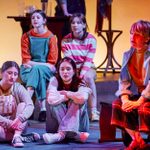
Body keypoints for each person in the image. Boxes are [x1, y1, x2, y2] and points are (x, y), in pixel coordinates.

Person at [111, 20, 150, 149]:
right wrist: (125, 98)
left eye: (137, 34)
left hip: (147, 95)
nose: (132, 37)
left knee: (143, 108)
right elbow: (124, 81)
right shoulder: (128, 55)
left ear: (147, 38)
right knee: (118, 105)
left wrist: (139, 101)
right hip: (140, 94)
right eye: (131, 33)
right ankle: (137, 139)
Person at [20, 9, 58, 122]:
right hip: (28, 69)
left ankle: (28, 105)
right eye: (33, 18)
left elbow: (52, 61)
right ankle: (43, 109)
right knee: (37, 72)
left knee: (37, 70)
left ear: (44, 20)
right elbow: (26, 60)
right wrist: (43, 64)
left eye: (38, 17)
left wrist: (39, 64)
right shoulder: (26, 36)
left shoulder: (51, 37)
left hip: (46, 69)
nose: (35, 20)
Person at [42, 57, 91, 144]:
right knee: (56, 102)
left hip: (79, 126)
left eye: (68, 69)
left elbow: (83, 98)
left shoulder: (80, 82)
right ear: (58, 71)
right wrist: (70, 96)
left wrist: (66, 93)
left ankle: (61, 134)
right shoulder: (54, 80)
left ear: (74, 71)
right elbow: (51, 99)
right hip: (55, 127)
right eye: (62, 69)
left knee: (76, 101)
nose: (65, 72)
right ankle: (74, 135)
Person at [61, 13, 99, 121]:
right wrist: (75, 74)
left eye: (78, 23)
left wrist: (81, 75)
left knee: (88, 77)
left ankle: (93, 111)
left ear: (84, 25)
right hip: (72, 68)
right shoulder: (65, 40)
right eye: (73, 23)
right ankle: (66, 110)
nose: (75, 25)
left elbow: (88, 60)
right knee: (65, 76)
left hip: (87, 67)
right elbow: (69, 61)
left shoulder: (91, 39)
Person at [0, 61, 40, 147]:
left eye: (15, 74)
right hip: (2, 125)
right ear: (2, 73)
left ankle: (17, 135)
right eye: (9, 73)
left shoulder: (18, 87)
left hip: (18, 125)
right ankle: (20, 138)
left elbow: (30, 105)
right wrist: (9, 123)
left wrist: (19, 119)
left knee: (23, 105)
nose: (12, 77)